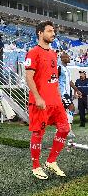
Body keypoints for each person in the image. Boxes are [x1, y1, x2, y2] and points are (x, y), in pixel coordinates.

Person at [25, 21, 70, 180]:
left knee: (65, 128)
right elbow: (28, 77)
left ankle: (51, 161)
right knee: (38, 133)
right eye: (50, 31)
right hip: (40, 102)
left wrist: (60, 97)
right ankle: (36, 166)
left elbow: (53, 79)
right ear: (40, 33)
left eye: (54, 31)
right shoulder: (33, 52)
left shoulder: (53, 53)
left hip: (55, 102)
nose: (53, 34)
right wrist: (37, 97)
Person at [58, 51, 82, 137]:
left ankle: (62, 129)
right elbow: (54, 79)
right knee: (72, 108)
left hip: (67, 93)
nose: (69, 58)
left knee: (64, 112)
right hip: (62, 93)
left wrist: (76, 90)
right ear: (63, 58)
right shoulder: (59, 68)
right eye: (67, 57)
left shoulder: (67, 69)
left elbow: (70, 82)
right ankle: (68, 129)